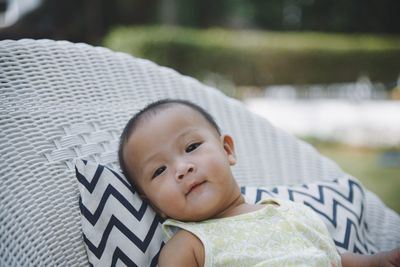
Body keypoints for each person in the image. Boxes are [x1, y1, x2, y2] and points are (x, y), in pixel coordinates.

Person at [118, 99, 400, 266]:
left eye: (191, 147)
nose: (182, 168)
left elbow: (334, 258)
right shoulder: (188, 246)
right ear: (153, 203)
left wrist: (375, 261)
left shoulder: (287, 211)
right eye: (159, 171)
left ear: (227, 150)